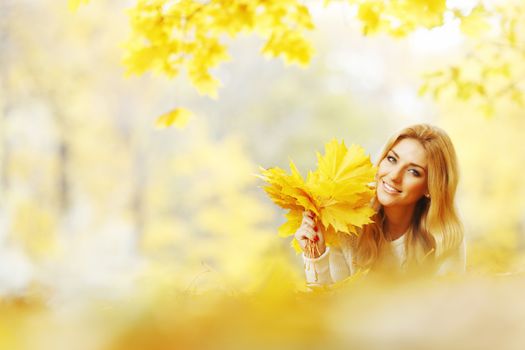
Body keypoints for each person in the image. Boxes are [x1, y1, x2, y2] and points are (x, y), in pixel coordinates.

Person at [295, 124, 466, 286]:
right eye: (392, 159)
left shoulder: (444, 235)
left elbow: (446, 311)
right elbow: (326, 306)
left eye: (413, 171)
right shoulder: (348, 224)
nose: (394, 176)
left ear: (431, 187)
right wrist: (316, 256)